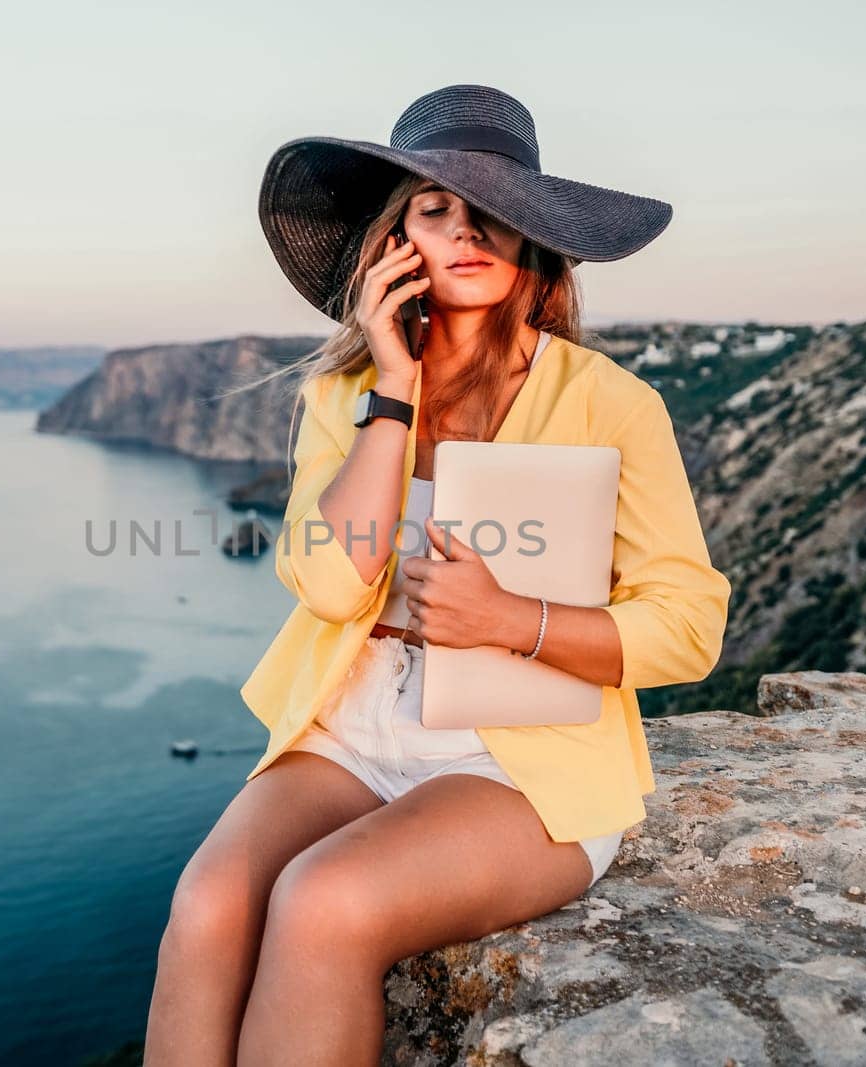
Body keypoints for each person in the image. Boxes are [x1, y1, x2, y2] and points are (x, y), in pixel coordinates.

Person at [146, 84, 732, 1065]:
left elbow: (687, 627)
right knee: (207, 903)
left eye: (491, 212)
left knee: (323, 901)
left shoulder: (611, 404)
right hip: (350, 731)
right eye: (435, 207)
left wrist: (512, 617)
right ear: (394, 240)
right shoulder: (340, 395)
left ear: (531, 239)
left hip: (516, 761)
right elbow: (334, 588)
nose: (465, 231)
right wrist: (391, 387)